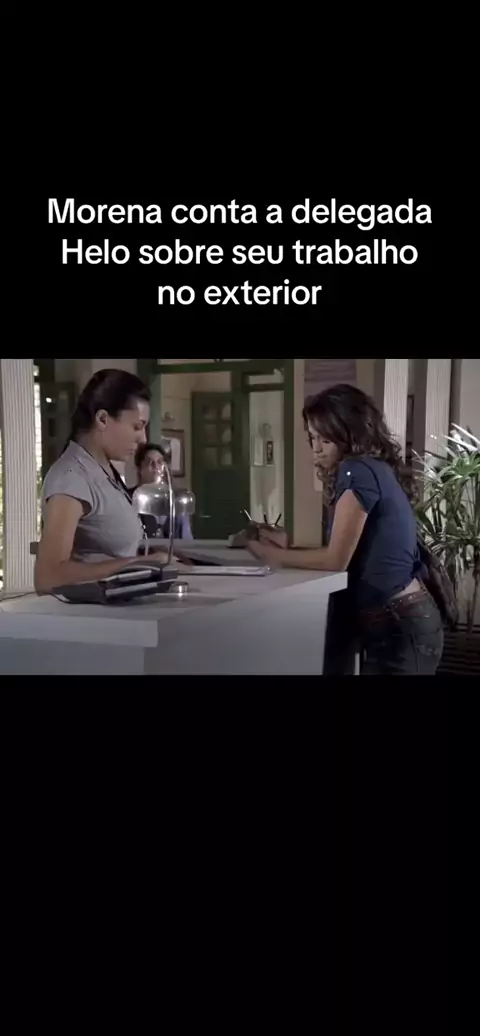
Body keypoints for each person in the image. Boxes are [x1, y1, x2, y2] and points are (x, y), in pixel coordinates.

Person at [247, 384, 444, 675]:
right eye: (313, 438)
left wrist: (272, 556)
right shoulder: (374, 468)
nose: (316, 448)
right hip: (402, 618)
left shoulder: (357, 470)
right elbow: (351, 550)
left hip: (399, 624)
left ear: (349, 435)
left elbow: (335, 560)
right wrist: (290, 549)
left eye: (325, 439)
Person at [35, 369, 184, 595]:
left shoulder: (104, 471)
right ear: (103, 419)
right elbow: (48, 578)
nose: (143, 438)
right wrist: (138, 564)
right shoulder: (72, 478)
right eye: (137, 426)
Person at [132, 442, 194, 541]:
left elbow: (186, 539)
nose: (156, 466)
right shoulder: (131, 498)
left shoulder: (175, 499)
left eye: (160, 462)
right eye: (149, 462)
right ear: (140, 468)